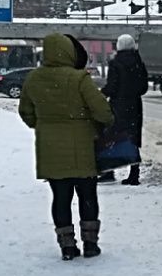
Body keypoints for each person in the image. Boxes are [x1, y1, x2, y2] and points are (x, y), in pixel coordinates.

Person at [20, 33, 114, 260]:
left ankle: (67, 246)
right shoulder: (79, 79)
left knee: (60, 198)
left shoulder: (34, 79)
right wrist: (100, 123)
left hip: (50, 147)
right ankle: (90, 243)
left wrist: (43, 125)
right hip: (82, 146)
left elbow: (26, 112)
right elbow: (102, 111)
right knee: (87, 195)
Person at [99, 34, 149, 185]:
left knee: (111, 137)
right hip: (134, 105)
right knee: (132, 138)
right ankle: (134, 174)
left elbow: (112, 86)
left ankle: (109, 171)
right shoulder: (139, 63)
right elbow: (143, 87)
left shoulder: (115, 63)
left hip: (118, 106)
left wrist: (101, 94)